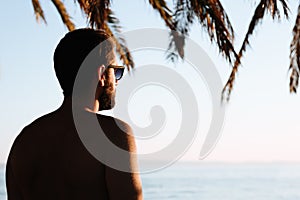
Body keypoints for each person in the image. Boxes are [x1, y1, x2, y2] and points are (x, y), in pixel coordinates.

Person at [6, 29, 143, 200]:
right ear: (101, 74)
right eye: (115, 72)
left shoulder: (23, 142)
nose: (116, 81)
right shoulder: (111, 134)